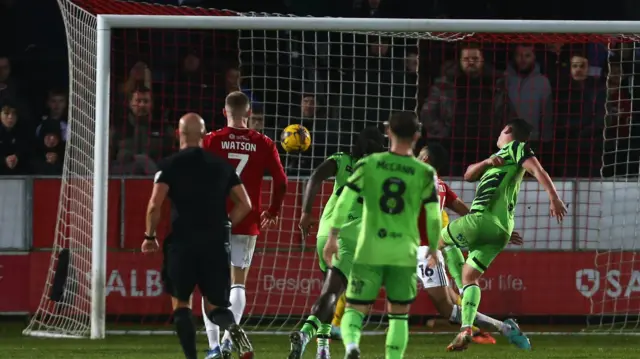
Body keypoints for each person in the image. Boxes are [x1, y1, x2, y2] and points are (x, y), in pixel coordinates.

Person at [440, 118, 567, 351]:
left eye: (501, 131)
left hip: (481, 220)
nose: (498, 136)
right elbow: (468, 174)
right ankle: (466, 327)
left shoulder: (516, 147)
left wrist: (554, 197)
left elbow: (537, 169)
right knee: (470, 279)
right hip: (500, 231)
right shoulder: (499, 160)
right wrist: (488, 161)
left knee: (436, 241)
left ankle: (460, 300)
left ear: (508, 130)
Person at [324, 111, 442, 359]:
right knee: (398, 315)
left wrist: (333, 235)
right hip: (403, 251)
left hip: (369, 248)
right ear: (417, 135)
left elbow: (345, 200)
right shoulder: (425, 173)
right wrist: (433, 246)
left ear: (388, 132)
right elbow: (433, 215)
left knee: (354, 309)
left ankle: (352, 346)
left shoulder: (369, 164)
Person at [141, 113, 254, 359]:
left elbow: (154, 205)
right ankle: (233, 328)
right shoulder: (222, 165)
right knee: (215, 306)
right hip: (215, 243)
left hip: (183, 242)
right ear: (203, 135)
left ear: (178, 134)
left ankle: (192, 357)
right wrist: (226, 224)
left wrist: (149, 236)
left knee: (181, 304)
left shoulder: (169, 165)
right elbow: (245, 204)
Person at [202, 91, 288, 359]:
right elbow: (282, 181)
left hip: (214, 219)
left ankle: (215, 347)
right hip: (247, 219)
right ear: (249, 113)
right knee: (238, 283)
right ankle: (230, 340)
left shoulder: (211, 140)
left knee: (209, 285)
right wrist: (272, 211)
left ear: (224, 112)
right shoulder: (263, 143)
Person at [416, 144, 525, 346]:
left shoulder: (417, 181)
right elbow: (467, 213)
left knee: (447, 307)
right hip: (413, 248)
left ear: (424, 161)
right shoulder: (441, 186)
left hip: (425, 250)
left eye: (418, 156)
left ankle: (498, 328)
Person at [292, 127, 386, 359]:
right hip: (350, 236)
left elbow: (315, 177)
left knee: (328, 290)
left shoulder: (343, 160)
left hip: (325, 231)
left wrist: (305, 214)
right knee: (333, 294)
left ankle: (323, 350)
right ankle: (304, 334)